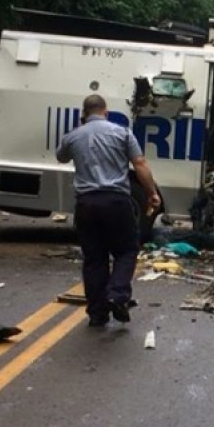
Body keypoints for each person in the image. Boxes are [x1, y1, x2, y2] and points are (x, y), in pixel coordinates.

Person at [56, 94, 161, 327]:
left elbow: (61, 157)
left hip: (86, 203)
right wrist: (152, 193)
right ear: (106, 111)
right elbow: (140, 163)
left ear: (84, 114)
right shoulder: (122, 132)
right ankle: (117, 295)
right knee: (125, 250)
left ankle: (97, 313)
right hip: (116, 201)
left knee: (94, 258)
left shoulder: (73, 136)